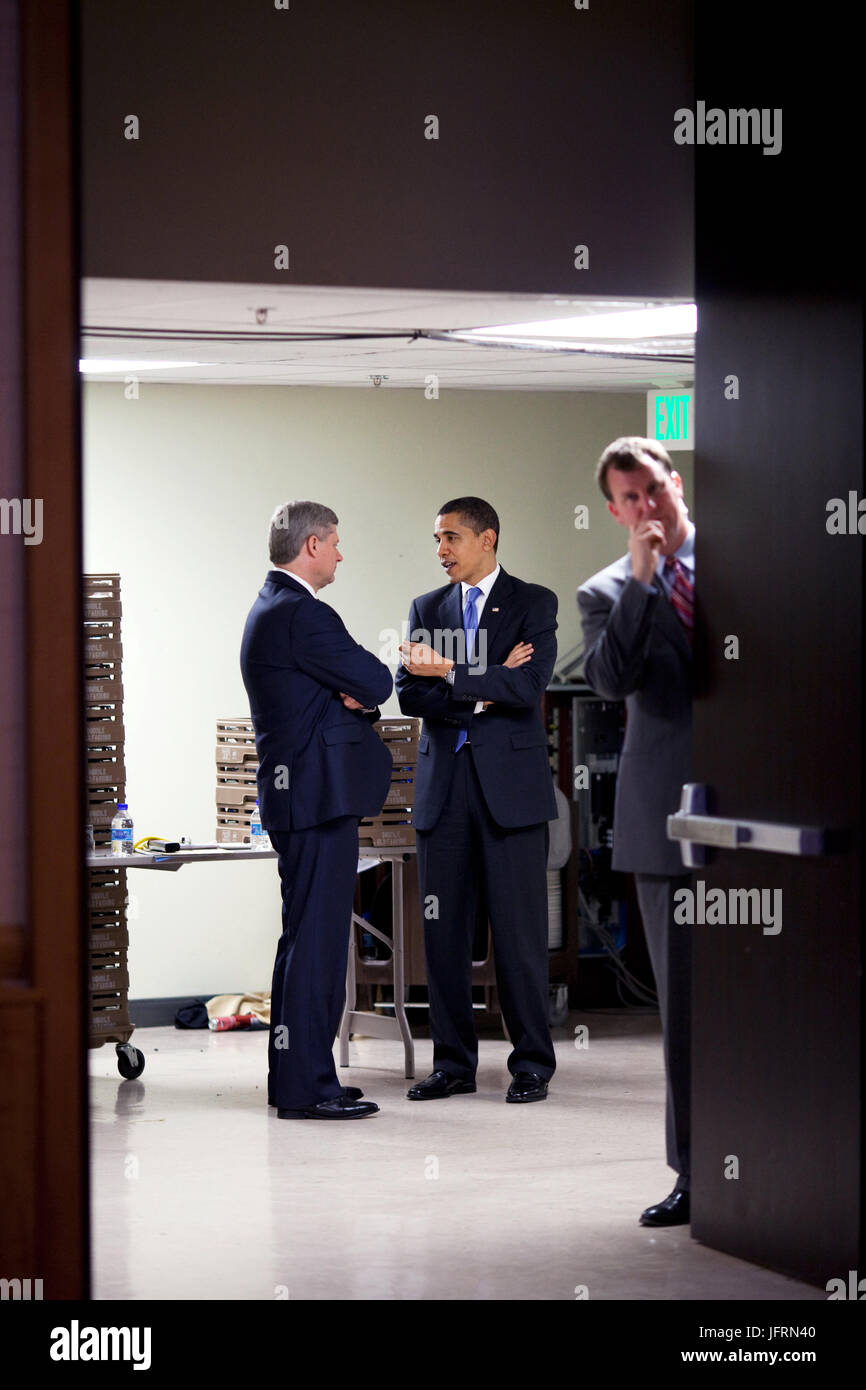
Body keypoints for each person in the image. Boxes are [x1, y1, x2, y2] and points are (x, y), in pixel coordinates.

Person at [395, 496, 558, 1103]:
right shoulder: (426, 607)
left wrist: (454, 673)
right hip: (443, 792)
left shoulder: (534, 603)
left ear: (487, 538)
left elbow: (529, 685)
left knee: (518, 935)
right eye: (437, 538)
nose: (441, 550)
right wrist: (485, 685)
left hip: (510, 795)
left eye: (451, 538)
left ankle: (533, 1066)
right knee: (443, 935)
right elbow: (410, 694)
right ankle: (453, 1065)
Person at [240, 501, 393, 1120]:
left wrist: (345, 692)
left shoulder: (274, 608)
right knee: (317, 946)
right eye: (334, 543)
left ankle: (303, 1078)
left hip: (301, 797)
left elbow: (356, 688)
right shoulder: (304, 614)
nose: (339, 554)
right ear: (311, 546)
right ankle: (309, 1090)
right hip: (314, 799)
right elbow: (377, 681)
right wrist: (351, 691)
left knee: (306, 941)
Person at [578, 437, 694, 1226]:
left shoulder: (757, 555)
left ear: (673, 483)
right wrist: (644, 582)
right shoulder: (608, 590)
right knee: (686, 1008)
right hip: (667, 821)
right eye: (629, 499)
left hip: (772, 815)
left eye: (652, 488)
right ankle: (695, 1172)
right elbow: (611, 679)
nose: (645, 507)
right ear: (615, 512)